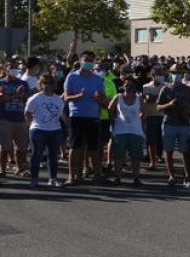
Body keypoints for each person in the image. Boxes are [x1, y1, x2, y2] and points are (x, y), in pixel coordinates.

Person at [63, 51, 107, 186]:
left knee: (94, 148)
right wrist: (78, 96)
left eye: (91, 60)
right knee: (75, 147)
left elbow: (104, 100)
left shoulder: (97, 79)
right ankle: (72, 176)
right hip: (77, 116)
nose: (88, 62)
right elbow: (66, 98)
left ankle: (96, 176)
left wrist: (99, 99)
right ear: (80, 61)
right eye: (86, 59)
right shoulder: (71, 77)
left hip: (93, 116)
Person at [158, 63, 190, 186]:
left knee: (185, 151)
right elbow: (158, 107)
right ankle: (171, 176)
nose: (176, 75)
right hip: (169, 123)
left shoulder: (188, 90)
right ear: (170, 74)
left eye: (179, 73)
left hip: (184, 123)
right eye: (174, 73)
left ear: (183, 74)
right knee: (168, 151)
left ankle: (187, 176)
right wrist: (169, 104)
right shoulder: (165, 89)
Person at [25, 74, 67, 187]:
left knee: (53, 155)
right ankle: (34, 178)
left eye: (51, 82)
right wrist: (30, 127)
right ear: (41, 84)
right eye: (45, 82)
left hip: (55, 130)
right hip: (38, 129)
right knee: (36, 154)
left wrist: (69, 127)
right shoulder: (35, 98)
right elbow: (27, 113)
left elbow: (62, 115)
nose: (48, 85)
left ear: (54, 85)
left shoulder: (58, 99)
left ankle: (53, 179)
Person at [108, 74, 146, 186]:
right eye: (127, 85)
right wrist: (113, 121)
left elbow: (144, 112)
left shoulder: (139, 98)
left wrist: (140, 123)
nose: (129, 87)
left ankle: (136, 178)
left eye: (131, 85)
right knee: (119, 155)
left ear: (135, 87)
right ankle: (118, 178)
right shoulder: (118, 97)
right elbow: (110, 109)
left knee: (136, 156)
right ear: (123, 86)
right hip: (120, 130)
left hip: (136, 130)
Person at [0, 67, 31, 179]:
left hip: (20, 119)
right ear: (6, 70)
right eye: (11, 68)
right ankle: (2, 170)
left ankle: (20, 168)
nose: (13, 71)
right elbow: (2, 99)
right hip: (5, 118)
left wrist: (24, 96)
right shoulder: (1, 83)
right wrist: (16, 93)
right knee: (5, 147)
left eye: (15, 69)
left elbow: (27, 98)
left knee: (22, 147)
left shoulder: (23, 83)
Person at [143, 65, 166, 171]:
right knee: (151, 140)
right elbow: (147, 99)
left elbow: (154, 99)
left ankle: (161, 157)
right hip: (151, 116)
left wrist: (153, 98)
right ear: (152, 75)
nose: (160, 76)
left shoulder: (166, 86)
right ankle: (152, 162)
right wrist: (160, 98)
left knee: (162, 140)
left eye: (161, 74)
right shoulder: (145, 86)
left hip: (164, 116)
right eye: (158, 74)